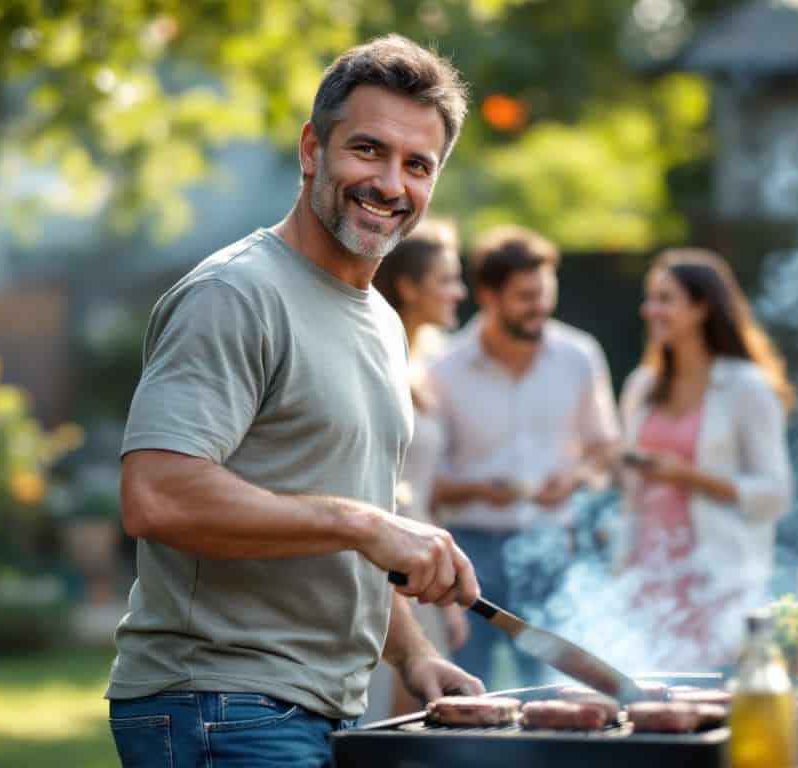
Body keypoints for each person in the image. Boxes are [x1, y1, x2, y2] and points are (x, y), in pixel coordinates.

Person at [108, 35, 483, 768]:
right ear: (313, 148)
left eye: (417, 165)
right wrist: (365, 523)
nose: (389, 183)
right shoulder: (235, 295)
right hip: (218, 703)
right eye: (368, 151)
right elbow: (155, 496)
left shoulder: (378, 319)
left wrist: (411, 656)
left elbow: (344, 530)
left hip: (310, 707)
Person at [427, 225, 619, 687]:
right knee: (468, 690)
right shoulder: (444, 370)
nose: (539, 309)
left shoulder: (579, 356)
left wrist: (574, 479)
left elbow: (605, 451)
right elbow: (422, 477)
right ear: (489, 296)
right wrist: (480, 490)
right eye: (525, 297)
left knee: (557, 692)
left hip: (553, 547)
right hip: (469, 549)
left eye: (545, 295)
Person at [616, 247, 795, 669]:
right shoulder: (641, 386)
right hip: (648, 575)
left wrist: (689, 476)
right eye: (650, 298)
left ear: (701, 308)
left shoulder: (747, 388)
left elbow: (775, 493)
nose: (650, 310)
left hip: (719, 576)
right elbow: (630, 491)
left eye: (665, 299)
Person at [365, 218, 472, 720]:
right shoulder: (376, 357)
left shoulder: (424, 363)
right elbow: (391, 489)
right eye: (447, 279)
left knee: (417, 716)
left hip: (421, 560)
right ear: (407, 286)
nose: (460, 291)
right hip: (388, 561)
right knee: (391, 719)